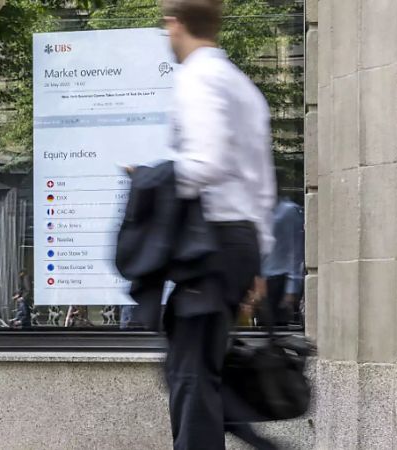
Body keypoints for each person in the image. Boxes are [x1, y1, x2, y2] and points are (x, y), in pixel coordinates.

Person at [161, 0, 278, 448]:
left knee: (190, 373)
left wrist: (155, 178)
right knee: (194, 364)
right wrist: (258, 259)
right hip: (238, 240)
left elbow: (205, 162)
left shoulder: (199, 77)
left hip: (211, 242)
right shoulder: (242, 86)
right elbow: (263, 186)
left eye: (165, 25)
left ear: (175, 23)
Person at [259, 196, 305, 326]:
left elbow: (296, 250)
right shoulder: (261, 210)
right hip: (263, 280)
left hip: (280, 280)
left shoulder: (288, 211)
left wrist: (292, 286)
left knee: (278, 330)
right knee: (262, 329)